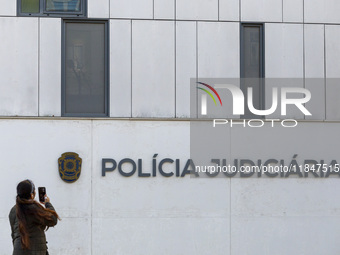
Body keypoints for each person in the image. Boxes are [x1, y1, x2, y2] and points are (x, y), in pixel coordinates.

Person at [9, 180, 60, 255]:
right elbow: (53, 220)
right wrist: (48, 204)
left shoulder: (13, 210)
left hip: (18, 251)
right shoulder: (34, 209)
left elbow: (13, 234)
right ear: (31, 194)